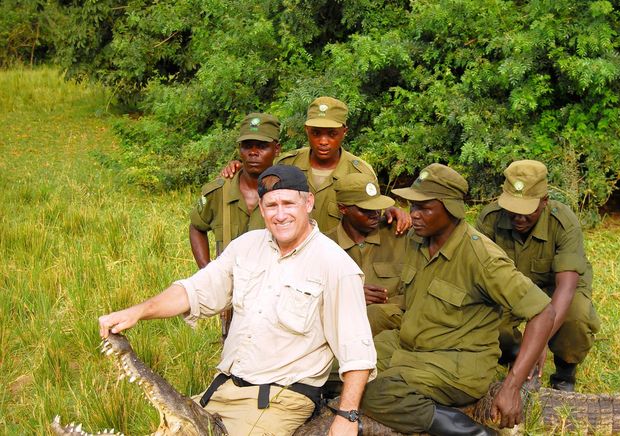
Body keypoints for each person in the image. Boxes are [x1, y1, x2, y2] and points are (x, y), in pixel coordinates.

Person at [99, 164, 377, 436]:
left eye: (289, 204)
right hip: (223, 390)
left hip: (279, 401)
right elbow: (194, 290)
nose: (280, 215)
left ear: (308, 203)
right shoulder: (246, 246)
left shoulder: (336, 266)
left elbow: (357, 351)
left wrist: (347, 417)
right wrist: (138, 311)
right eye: (271, 206)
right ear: (262, 208)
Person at [360, 163, 555, 435]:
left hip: (454, 362)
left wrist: (511, 387)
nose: (413, 214)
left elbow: (543, 312)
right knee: (341, 364)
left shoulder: (482, 257)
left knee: (374, 394)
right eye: (412, 206)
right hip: (407, 346)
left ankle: (472, 432)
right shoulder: (417, 239)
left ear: (451, 209)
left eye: (424, 208)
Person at [475, 160, 601, 392]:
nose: (518, 218)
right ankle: (515, 352)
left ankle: (565, 371)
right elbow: (478, 275)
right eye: (513, 210)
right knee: (481, 318)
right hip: (513, 290)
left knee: (576, 316)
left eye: (527, 212)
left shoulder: (564, 222)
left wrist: (540, 340)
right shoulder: (490, 219)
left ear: (544, 202)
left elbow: (566, 287)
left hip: (555, 289)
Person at [220, 96, 410, 234]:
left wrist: (392, 212)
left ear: (344, 132)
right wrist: (237, 166)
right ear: (307, 130)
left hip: (337, 265)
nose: (323, 141)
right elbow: (255, 173)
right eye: (316, 133)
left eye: (331, 133)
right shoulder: (287, 164)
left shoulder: (359, 171)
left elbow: (370, 213)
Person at [189, 112, 281, 341]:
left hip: (274, 295)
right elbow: (196, 227)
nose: (253, 152)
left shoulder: (286, 193)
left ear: (276, 150)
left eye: (262, 146)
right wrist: (208, 272)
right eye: (247, 146)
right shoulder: (218, 191)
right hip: (232, 297)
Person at [324, 173, 407, 335]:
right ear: (343, 209)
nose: (375, 214)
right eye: (366, 210)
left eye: (377, 207)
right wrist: (350, 295)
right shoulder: (324, 247)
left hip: (394, 330)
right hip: (340, 331)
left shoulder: (398, 234)